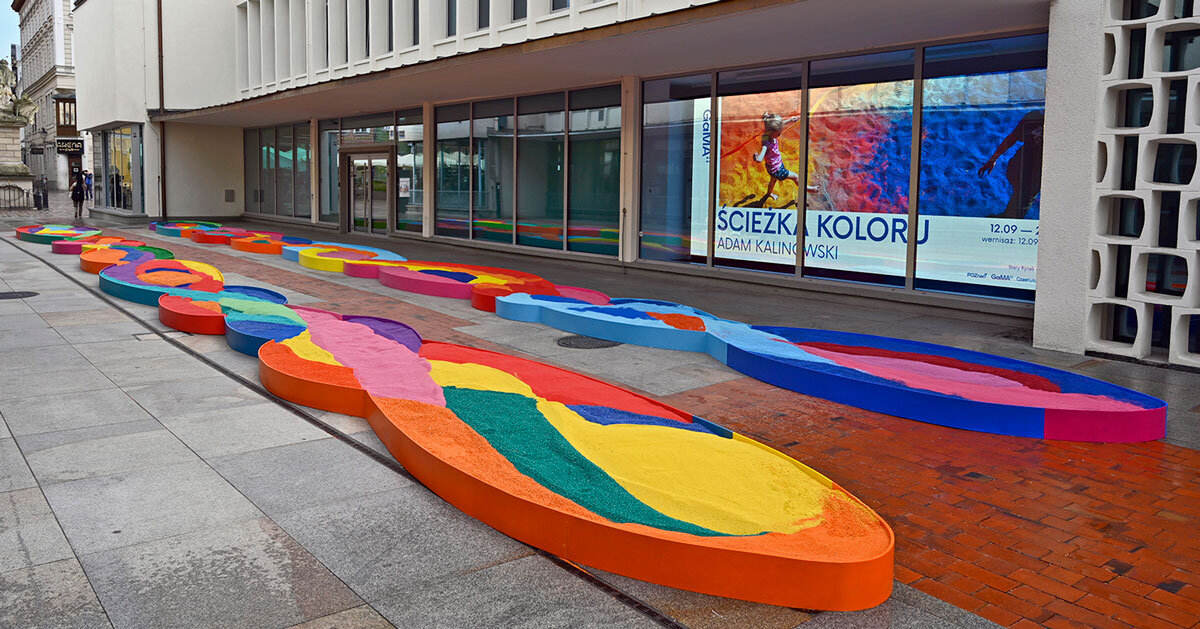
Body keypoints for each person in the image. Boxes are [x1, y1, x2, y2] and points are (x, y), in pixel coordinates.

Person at [978, 110, 1044, 219]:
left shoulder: (1035, 116)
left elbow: (1012, 138)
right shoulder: (1035, 117)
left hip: (1019, 168)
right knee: (1019, 206)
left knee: (1019, 201)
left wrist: (993, 159)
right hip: (1025, 172)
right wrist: (993, 159)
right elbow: (1012, 138)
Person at [753, 112, 818, 206]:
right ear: (771, 132)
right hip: (777, 170)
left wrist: (790, 120)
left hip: (772, 167)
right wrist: (757, 157)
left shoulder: (767, 134)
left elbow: (780, 125)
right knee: (795, 177)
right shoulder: (766, 143)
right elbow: (760, 157)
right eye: (778, 133)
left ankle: (769, 193)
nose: (780, 134)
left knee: (773, 181)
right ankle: (807, 188)